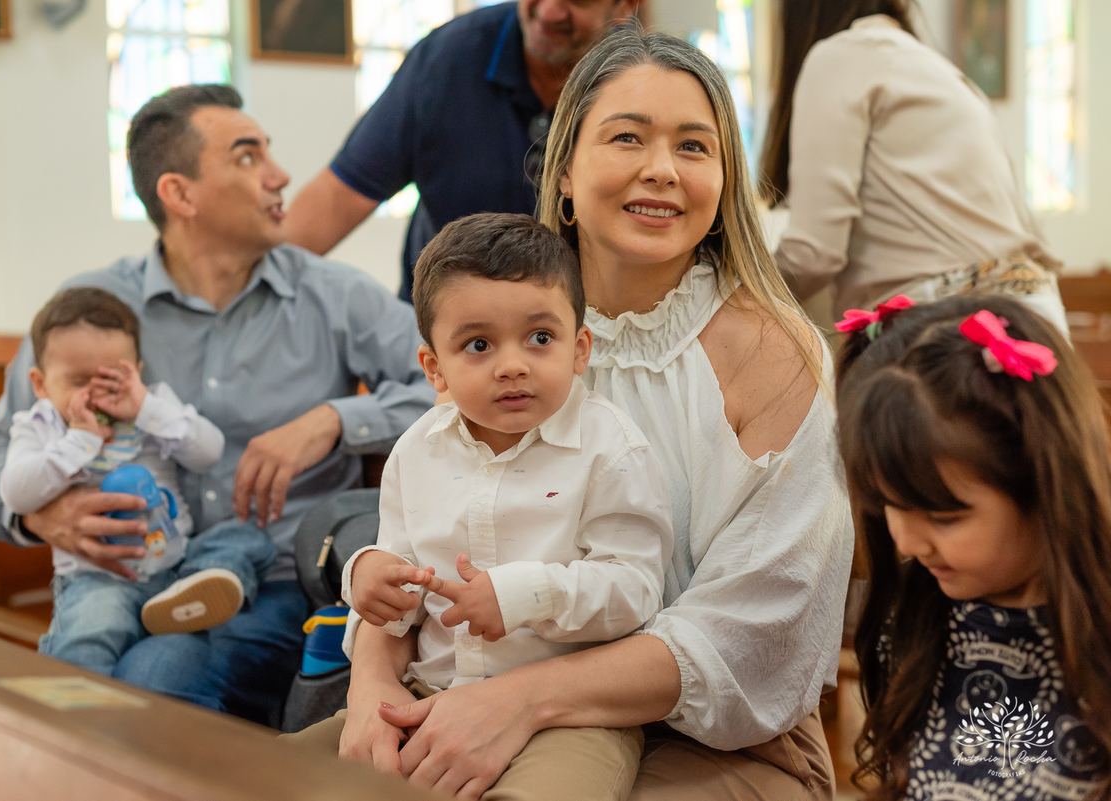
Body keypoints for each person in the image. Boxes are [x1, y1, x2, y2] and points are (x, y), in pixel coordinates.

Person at [293, 28, 854, 799]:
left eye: (695, 148)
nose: (661, 169)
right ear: (562, 169)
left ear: (724, 183)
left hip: (716, 731)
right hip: (460, 689)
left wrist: (519, 702)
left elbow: (760, 626)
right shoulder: (497, 340)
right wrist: (369, 691)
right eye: (628, 137)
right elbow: (416, 546)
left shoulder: (775, 351)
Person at [0, 84, 436, 724]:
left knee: (149, 684)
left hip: (274, 580)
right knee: (86, 679)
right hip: (123, 575)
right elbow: (0, 439)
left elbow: (453, 385)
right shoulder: (90, 309)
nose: (280, 176)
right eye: (248, 157)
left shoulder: (331, 294)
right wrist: (40, 518)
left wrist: (333, 420)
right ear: (179, 194)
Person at [291, 212, 675, 800]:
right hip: (427, 695)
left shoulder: (612, 451)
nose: (513, 363)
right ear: (434, 369)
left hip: (569, 719)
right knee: (267, 773)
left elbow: (636, 589)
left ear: (580, 348)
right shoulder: (416, 451)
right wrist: (368, 575)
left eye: (540, 338)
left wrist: (522, 595)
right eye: (478, 344)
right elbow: (402, 591)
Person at [833, 294, 1111, 800]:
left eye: (943, 516)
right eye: (888, 505)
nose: (907, 542)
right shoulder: (917, 621)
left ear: (1046, 485)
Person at [282, 0, 640, 302]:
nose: (548, 11)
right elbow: (340, 195)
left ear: (623, 7)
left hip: (583, 329)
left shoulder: (639, 81)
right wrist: (253, 282)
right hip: (445, 326)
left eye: (577, 0)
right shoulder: (447, 59)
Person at [0, 287, 277, 673]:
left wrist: (145, 407)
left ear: (136, 371)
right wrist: (80, 440)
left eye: (112, 379)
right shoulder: (40, 425)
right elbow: (15, 494)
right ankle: (71, 721)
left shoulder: (153, 405)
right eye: (79, 381)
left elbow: (210, 450)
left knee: (249, 538)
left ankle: (192, 593)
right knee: (90, 631)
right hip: (99, 575)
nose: (97, 395)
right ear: (41, 384)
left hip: (179, 561)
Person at [759, 0, 1069, 335]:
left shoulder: (840, 55)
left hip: (947, 330)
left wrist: (731, 293)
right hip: (1036, 322)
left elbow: (813, 258)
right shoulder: (940, 68)